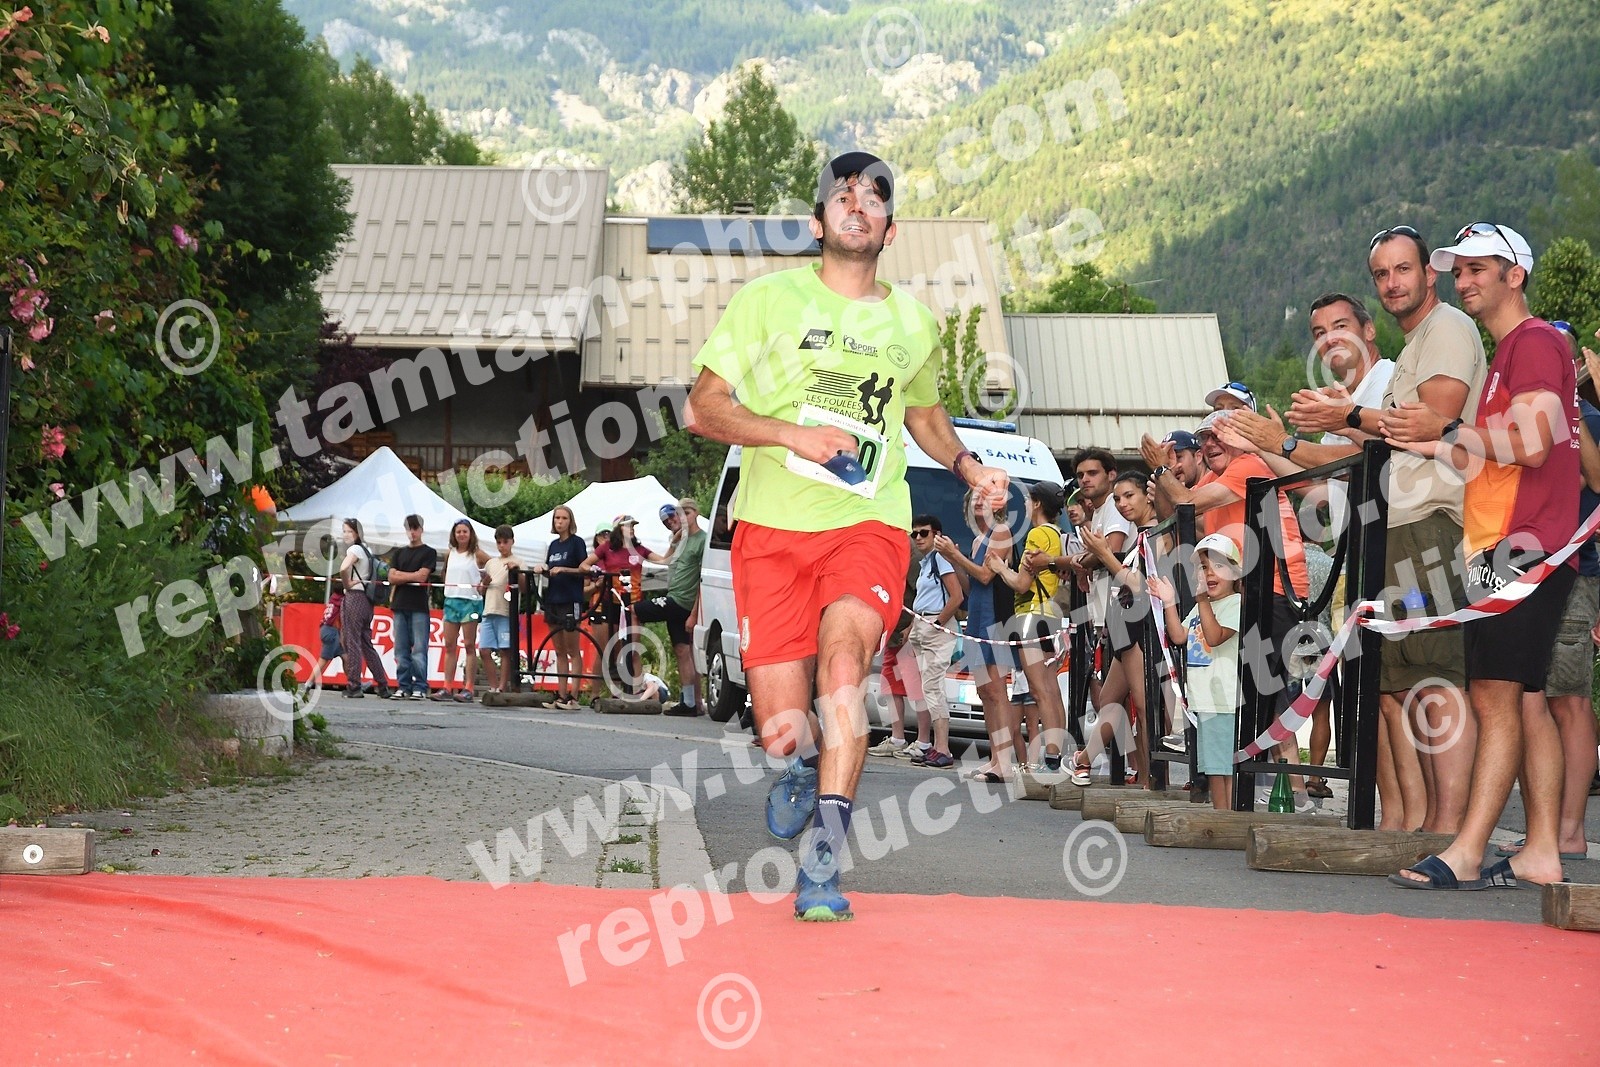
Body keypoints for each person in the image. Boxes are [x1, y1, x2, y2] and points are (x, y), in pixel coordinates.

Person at [684, 150, 1010, 921]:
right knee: (779, 729)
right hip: (772, 530)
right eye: (844, 192)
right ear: (817, 222)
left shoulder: (912, 323)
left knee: (843, 670)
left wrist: (969, 466)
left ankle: (824, 858)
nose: (858, 201)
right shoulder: (767, 302)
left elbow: (924, 415)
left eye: (874, 195)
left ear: (889, 230)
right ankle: (798, 765)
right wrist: (790, 435)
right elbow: (702, 408)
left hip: (868, 524)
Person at [1386, 222, 1579, 890]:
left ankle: (1467, 850)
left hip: (1522, 546)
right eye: (1459, 270)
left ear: (1514, 275)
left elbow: (1530, 443)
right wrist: (1413, 435)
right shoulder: (1511, 353)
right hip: (1514, 544)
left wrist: (1444, 427)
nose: (1464, 281)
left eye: (1478, 269)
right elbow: (1487, 455)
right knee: (1524, 700)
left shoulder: (1534, 342)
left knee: (1494, 695)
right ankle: (1542, 850)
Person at [1497, 324, 1600, 865]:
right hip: (1526, 561)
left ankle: (1568, 830)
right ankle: (1546, 830)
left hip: (1572, 568)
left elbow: (1591, 480)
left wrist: (1573, 413)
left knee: (1566, 699)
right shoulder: (1529, 413)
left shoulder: (1583, 415)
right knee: (1529, 695)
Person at [1150, 534, 1243, 810]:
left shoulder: (1235, 603)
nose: (1210, 572)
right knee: (1215, 764)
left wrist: (1202, 600)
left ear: (1236, 573)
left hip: (1223, 699)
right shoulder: (1201, 606)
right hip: (1205, 700)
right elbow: (1179, 636)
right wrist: (1169, 602)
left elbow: (1214, 637)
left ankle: (1226, 817)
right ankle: (1223, 814)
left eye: (1219, 566)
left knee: (1223, 765)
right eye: (1203, 567)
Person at [1081, 471, 1161, 787]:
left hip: (1143, 628)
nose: (1122, 503)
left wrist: (1103, 555)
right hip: (1124, 628)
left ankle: (1150, 780)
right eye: (1117, 498)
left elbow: (1140, 585)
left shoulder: (1158, 533)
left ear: (1148, 495)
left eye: (1129, 495)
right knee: (1110, 701)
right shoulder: (1137, 538)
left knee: (1144, 706)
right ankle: (1085, 760)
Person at [937, 488, 1022, 782]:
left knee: (997, 690)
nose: (977, 505)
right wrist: (953, 560)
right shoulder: (976, 540)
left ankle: (1005, 761)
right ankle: (995, 758)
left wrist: (955, 555)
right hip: (976, 616)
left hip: (995, 617)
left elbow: (986, 576)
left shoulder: (1001, 531)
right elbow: (971, 585)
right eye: (973, 500)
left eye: (983, 500)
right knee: (984, 691)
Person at [990, 481, 1071, 778]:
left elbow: (1022, 584)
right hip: (1050, 614)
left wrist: (1000, 568)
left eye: (1028, 500)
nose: (1024, 505)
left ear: (1037, 503)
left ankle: (1051, 757)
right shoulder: (1057, 533)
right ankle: (1058, 752)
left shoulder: (1037, 534)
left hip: (1030, 616)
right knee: (1051, 688)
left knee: (1039, 690)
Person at [635, 499, 709, 716]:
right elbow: (665, 562)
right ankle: (691, 702)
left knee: (635, 610)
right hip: (675, 597)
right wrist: (674, 541)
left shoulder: (702, 540)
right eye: (679, 514)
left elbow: (703, 579)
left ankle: (633, 664)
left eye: (686, 512)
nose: (682, 518)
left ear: (696, 513)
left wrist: (694, 613)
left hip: (682, 601)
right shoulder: (680, 540)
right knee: (683, 651)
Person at [905, 514, 964, 769]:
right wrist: (914, 626)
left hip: (935, 626)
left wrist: (938, 622)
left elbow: (957, 596)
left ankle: (943, 749)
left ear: (937, 535)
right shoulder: (927, 561)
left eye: (924, 533)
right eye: (914, 533)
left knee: (933, 687)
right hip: (923, 625)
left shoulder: (941, 558)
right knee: (928, 688)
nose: (918, 538)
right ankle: (934, 746)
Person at [533, 505, 588, 710]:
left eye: (564, 518)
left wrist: (564, 569)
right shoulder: (553, 545)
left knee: (573, 649)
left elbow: (584, 569)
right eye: (557, 518)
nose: (560, 522)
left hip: (570, 598)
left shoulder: (577, 542)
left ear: (570, 521)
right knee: (559, 650)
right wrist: (543, 569)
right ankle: (562, 694)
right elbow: (551, 569)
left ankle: (574, 696)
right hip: (553, 599)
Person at [434, 519, 489, 703]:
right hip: (451, 600)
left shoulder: (477, 554)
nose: (462, 535)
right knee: (449, 645)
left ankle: (469, 688)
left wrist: (484, 583)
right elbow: (444, 573)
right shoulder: (449, 553)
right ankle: (447, 686)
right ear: (454, 534)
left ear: (470, 533)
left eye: (465, 531)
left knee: (469, 644)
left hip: (470, 602)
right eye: (458, 532)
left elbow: (493, 567)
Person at [338, 518, 391, 699]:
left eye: (349, 531)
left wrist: (347, 584)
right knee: (367, 644)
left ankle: (354, 685)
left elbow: (343, 568)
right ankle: (382, 685)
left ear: (357, 533)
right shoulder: (367, 550)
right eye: (344, 531)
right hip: (367, 601)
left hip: (354, 597)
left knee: (351, 641)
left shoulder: (354, 550)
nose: (346, 534)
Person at [387, 514, 437, 700]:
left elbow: (422, 576)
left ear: (421, 530)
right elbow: (391, 577)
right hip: (399, 603)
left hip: (418, 606)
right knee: (400, 649)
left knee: (419, 649)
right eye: (409, 528)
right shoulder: (399, 553)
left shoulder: (429, 552)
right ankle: (403, 685)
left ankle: (420, 686)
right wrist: (411, 576)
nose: (412, 532)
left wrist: (401, 575)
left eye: (415, 528)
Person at [478, 525, 517, 695]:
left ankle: (502, 686)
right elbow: (481, 591)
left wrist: (516, 571)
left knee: (505, 650)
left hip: (505, 612)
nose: (502, 546)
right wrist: (485, 583)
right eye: (499, 542)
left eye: (505, 542)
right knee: (484, 650)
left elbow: (523, 587)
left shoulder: (518, 561)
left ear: (512, 542)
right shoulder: (490, 563)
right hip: (488, 611)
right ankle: (493, 685)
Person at [310, 587, 344, 690]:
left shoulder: (333, 598)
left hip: (326, 628)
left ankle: (355, 684)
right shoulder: (342, 601)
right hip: (331, 631)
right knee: (323, 660)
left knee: (346, 657)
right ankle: (308, 683)